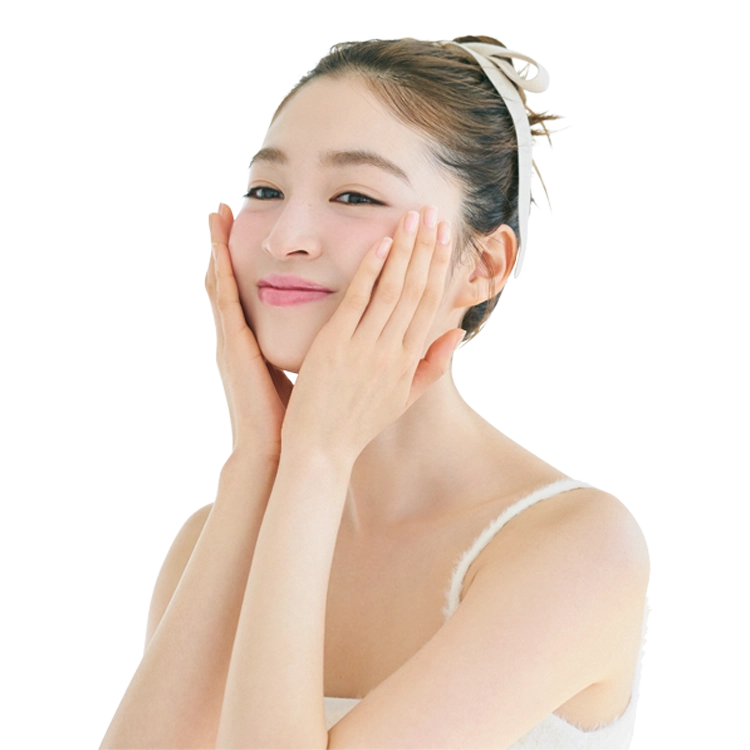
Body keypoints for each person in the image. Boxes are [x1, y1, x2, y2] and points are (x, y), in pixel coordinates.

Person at [102, 34, 651, 750]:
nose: (285, 237)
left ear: (483, 265)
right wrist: (257, 465)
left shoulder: (577, 548)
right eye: (265, 190)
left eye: (355, 195)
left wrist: (315, 459)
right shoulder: (210, 541)